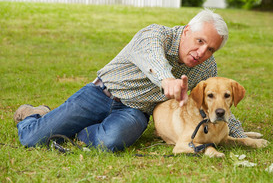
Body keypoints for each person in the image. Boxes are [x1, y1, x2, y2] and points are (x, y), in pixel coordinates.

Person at [14, 8, 246, 152]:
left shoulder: (207, 67)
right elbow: (152, 57)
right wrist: (167, 79)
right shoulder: (155, 35)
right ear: (186, 31)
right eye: (199, 41)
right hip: (99, 94)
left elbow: (217, 103)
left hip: (134, 112)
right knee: (31, 139)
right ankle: (36, 114)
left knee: (112, 141)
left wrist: (238, 133)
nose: (202, 52)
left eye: (210, 49)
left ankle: (77, 130)